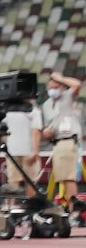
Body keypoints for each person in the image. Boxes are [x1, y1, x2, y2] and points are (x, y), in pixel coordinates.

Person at [42, 71, 82, 208]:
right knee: (61, 178)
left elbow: (77, 84)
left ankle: (74, 208)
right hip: (56, 142)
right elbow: (47, 127)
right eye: (51, 84)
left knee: (68, 177)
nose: (52, 87)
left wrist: (62, 78)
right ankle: (69, 206)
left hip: (69, 140)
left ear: (62, 86)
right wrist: (46, 132)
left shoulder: (67, 96)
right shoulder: (46, 105)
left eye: (56, 85)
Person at [3, 101, 43, 196]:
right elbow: (36, 131)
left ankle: (11, 207)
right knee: (31, 182)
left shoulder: (8, 111)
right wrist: (35, 151)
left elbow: (3, 131)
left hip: (12, 151)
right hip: (29, 151)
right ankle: (31, 206)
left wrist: (7, 146)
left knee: (13, 182)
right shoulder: (34, 111)